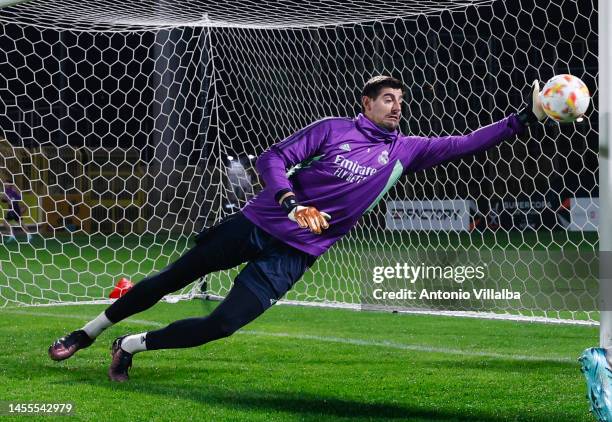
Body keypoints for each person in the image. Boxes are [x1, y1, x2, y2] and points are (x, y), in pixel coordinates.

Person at [48, 75, 546, 382]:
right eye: (388, 99)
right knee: (166, 281)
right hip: (257, 223)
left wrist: (522, 119)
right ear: (367, 102)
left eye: (400, 100)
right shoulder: (334, 129)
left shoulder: (406, 150)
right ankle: (87, 332)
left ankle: (132, 346)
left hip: (295, 255)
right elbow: (275, 158)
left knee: (221, 325)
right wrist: (288, 199)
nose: (397, 107)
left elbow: (465, 143)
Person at [1, 176, 33, 243]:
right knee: (20, 223)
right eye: (5, 184)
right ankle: (28, 235)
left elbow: (19, 197)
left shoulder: (14, 189)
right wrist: (5, 199)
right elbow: (4, 199)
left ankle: (12, 235)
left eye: (7, 184)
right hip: (11, 208)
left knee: (6, 221)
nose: (5, 185)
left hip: (15, 208)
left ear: (10, 184)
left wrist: (11, 199)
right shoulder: (7, 191)